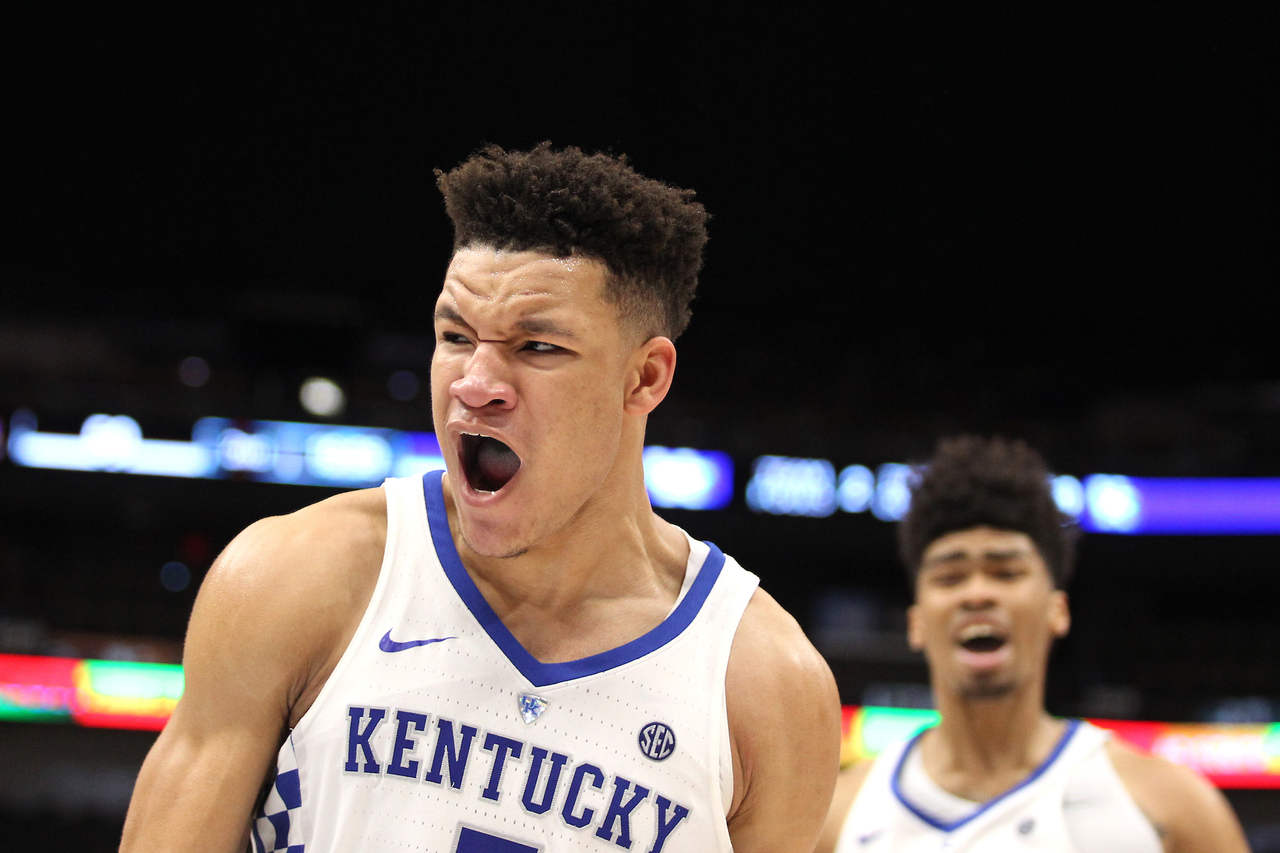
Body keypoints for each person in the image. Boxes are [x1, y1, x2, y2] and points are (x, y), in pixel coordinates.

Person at [120, 143, 842, 852]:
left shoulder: (766, 687)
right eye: (456, 335)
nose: (474, 382)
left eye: (537, 347)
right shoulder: (297, 577)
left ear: (645, 378)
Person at [817, 436, 1250, 853]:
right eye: (950, 577)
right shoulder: (838, 817)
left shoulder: (1167, 804)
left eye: (1006, 572)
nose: (977, 594)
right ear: (915, 623)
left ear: (1058, 610)